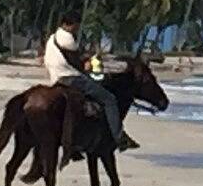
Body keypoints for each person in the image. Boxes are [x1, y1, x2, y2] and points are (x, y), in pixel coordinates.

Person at [44, 12, 138, 151]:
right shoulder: (68, 39)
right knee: (109, 99)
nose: (76, 29)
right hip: (70, 77)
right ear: (66, 25)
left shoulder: (53, 37)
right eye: (75, 26)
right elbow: (78, 63)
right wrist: (86, 65)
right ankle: (119, 137)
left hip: (55, 77)